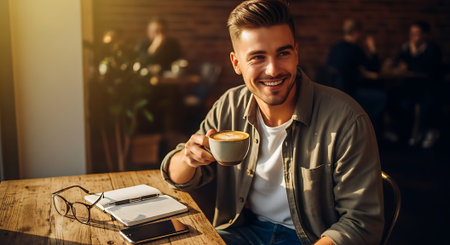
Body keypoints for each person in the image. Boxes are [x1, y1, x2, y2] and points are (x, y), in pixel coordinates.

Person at [160, 1, 384, 244]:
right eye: (257, 57)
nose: (273, 70)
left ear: (296, 53)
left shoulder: (346, 119)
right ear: (237, 63)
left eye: (283, 53)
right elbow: (175, 177)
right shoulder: (230, 105)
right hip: (242, 232)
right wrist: (187, 158)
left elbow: (361, 222)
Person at [392, 21, 442, 147]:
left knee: (427, 103)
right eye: (411, 33)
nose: (413, 37)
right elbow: (397, 60)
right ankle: (406, 133)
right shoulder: (407, 47)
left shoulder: (432, 49)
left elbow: (428, 67)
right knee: (394, 97)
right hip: (411, 86)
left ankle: (428, 131)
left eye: (417, 33)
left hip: (428, 87)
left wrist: (409, 63)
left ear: (425, 35)